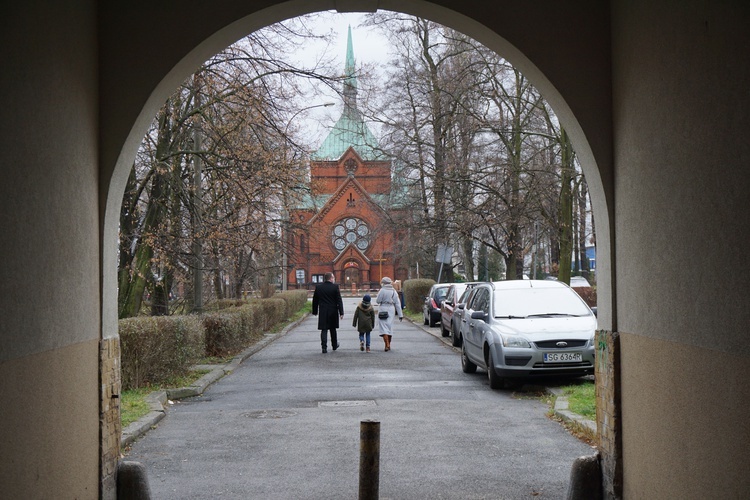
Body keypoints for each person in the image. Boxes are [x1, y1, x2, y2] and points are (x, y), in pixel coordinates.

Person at [312, 272, 344, 353]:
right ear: (331, 278)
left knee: (324, 329)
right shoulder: (335, 287)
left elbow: (315, 300)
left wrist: (315, 311)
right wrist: (341, 312)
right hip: (333, 311)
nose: (334, 279)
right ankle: (334, 345)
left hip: (323, 311)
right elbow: (339, 300)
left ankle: (324, 347)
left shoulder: (319, 287)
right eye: (333, 278)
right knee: (333, 329)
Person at [375, 276, 403, 351]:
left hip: (383, 308)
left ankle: (386, 344)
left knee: (384, 328)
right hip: (391, 309)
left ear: (383, 283)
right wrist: (400, 315)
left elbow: (378, 301)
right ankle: (389, 344)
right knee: (389, 327)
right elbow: (397, 303)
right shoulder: (394, 291)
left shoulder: (382, 290)